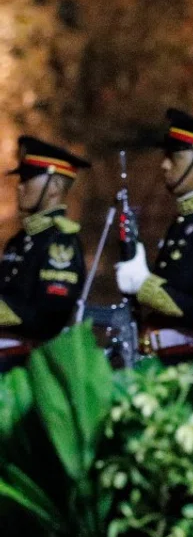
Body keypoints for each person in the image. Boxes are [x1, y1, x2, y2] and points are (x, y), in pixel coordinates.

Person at [114, 108, 193, 392]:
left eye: (174, 157)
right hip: (166, 366)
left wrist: (144, 284)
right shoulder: (185, 220)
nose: (164, 165)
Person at [0, 137, 89, 372]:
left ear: (54, 187)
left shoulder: (60, 242)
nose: (20, 186)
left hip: (28, 366)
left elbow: (48, 317)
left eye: (28, 178)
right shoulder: (18, 241)